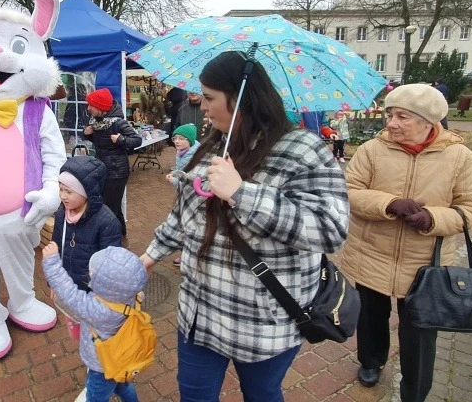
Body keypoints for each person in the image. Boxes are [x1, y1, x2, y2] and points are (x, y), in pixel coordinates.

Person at [140, 51, 349, 402]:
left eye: (209, 98)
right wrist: (147, 258)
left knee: (262, 394)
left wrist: (242, 193)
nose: (202, 107)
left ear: (238, 98)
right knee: (194, 395)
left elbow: (329, 229)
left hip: (264, 318)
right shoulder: (212, 146)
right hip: (200, 310)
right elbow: (184, 215)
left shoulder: (302, 149)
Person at [340, 83, 472, 402]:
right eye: (389, 114)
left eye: (402, 117)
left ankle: (415, 388)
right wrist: (389, 203)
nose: (390, 123)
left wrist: (434, 219)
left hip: (425, 267)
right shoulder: (371, 150)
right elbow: (348, 191)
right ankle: (370, 361)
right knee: (370, 317)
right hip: (370, 255)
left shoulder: (460, 157)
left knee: (420, 332)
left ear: (427, 121)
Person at [42, 244, 146, 402]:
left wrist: (52, 262)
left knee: (95, 397)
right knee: (123, 385)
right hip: (121, 358)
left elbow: (68, 292)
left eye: (93, 274)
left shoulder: (97, 310)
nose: (90, 274)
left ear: (107, 286)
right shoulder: (134, 295)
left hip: (102, 366)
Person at [52, 156, 123, 340]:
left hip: (93, 296)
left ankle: (95, 363)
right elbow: (56, 250)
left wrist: (102, 299)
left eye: (69, 191)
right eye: (60, 189)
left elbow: (109, 268)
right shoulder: (62, 214)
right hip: (69, 289)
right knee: (77, 330)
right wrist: (54, 282)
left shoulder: (107, 223)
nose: (62, 195)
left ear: (87, 192)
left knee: (95, 335)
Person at [82, 88, 142, 248]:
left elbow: (137, 140)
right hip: (103, 168)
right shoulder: (97, 122)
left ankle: (110, 242)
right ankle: (121, 237)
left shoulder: (118, 123)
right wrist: (87, 134)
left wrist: (121, 139)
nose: (88, 108)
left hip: (117, 171)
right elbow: (98, 142)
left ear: (100, 107)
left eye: (91, 105)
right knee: (112, 205)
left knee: (109, 208)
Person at [164, 123, 200, 268]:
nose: (177, 141)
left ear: (190, 141)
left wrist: (175, 181)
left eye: (182, 138)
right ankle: (185, 253)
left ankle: (191, 255)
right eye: (175, 138)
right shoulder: (183, 152)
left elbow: (193, 179)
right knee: (183, 224)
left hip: (193, 198)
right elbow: (181, 171)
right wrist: (175, 174)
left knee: (190, 225)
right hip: (183, 196)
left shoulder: (194, 155)